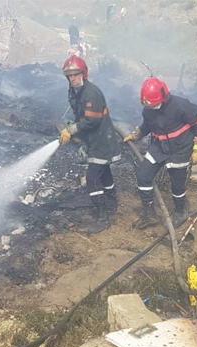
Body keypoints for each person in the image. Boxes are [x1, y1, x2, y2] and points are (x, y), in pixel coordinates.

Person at [123, 77, 197, 229]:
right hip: (159, 147)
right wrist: (135, 135)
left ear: (162, 98)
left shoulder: (180, 105)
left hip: (180, 148)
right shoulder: (148, 109)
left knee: (177, 185)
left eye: (151, 104)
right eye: (146, 104)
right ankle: (149, 215)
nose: (149, 107)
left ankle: (180, 211)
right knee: (143, 176)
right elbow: (146, 125)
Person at [58, 56, 122, 234]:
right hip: (94, 139)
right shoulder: (75, 91)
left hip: (102, 140)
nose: (72, 79)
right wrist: (78, 134)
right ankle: (112, 205)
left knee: (92, 179)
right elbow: (80, 115)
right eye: (70, 76)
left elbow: (92, 120)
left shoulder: (91, 93)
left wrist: (71, 130)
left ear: (83, 73)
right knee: (105, 173)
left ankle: (103, 217)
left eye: (75, 75)